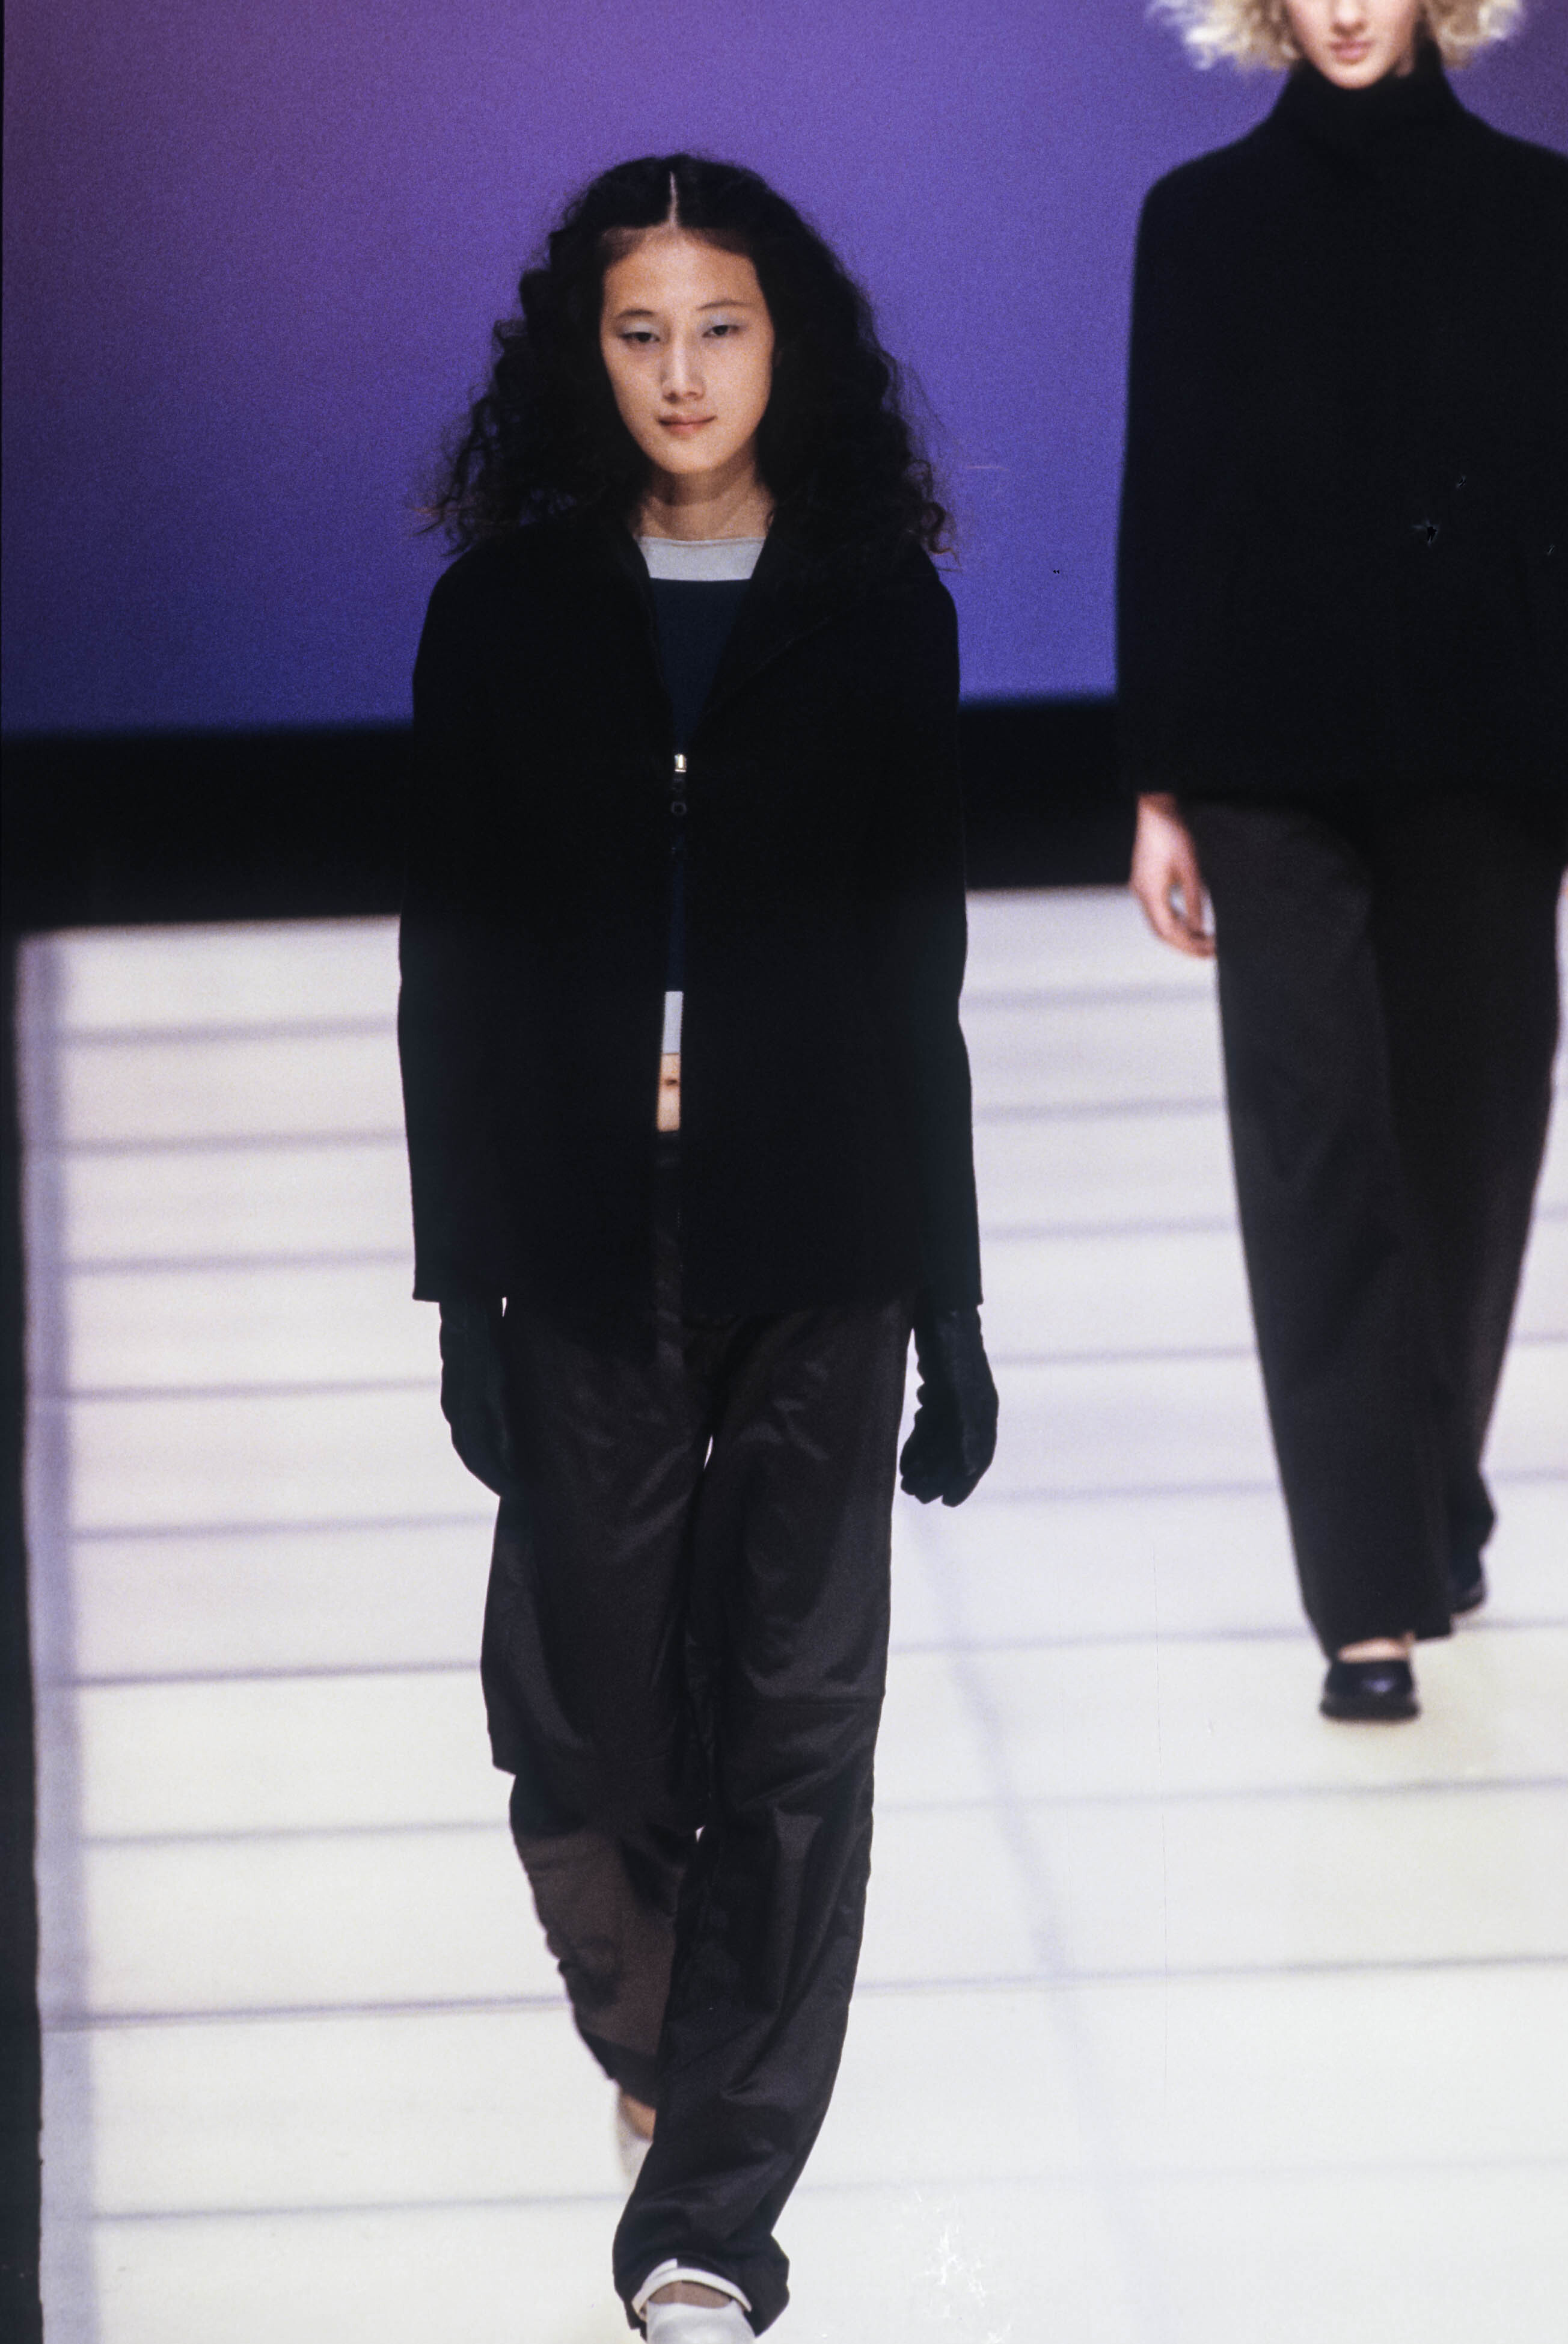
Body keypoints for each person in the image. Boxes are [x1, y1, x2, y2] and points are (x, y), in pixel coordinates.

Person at [398, 153, 997, 2339]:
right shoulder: (502, 614)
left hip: (824, 1217)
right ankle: (671, 2050)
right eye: (640, 331)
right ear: (585, 353)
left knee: (802, 1720)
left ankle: (709, 2226)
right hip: (579, 1222)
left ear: (786, 344)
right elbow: (449, 972)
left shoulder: (877, 606)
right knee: (586, 1730)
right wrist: (460, 1285)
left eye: (721, 328)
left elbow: (918, 964)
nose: (682, 373)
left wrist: (955, 1302)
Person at [1119, 0, 1566, 1720]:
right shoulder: (1200, 221)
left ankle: (1431, 1490)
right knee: (1314, 1156)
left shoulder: (1542, 212)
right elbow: (1169, 500)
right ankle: (1366, 1600)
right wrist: (1156, 783)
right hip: (1268, 761)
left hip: (1491, 756)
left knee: (1471, 1156)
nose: (1351, 5)